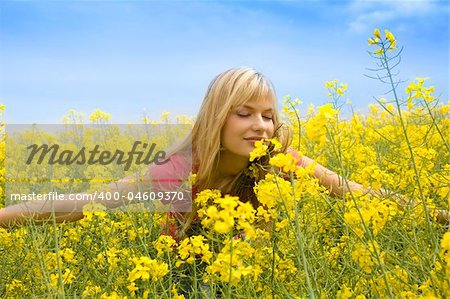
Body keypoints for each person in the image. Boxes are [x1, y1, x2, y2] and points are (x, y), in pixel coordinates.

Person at [0, 67, 447, 234]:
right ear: (217, 117)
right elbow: (82, 205)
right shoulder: (177, 170)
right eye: (244, 113)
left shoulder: (279, 162)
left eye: (268, 115)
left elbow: (357, 193)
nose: (260, 125)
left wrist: (436, 216)